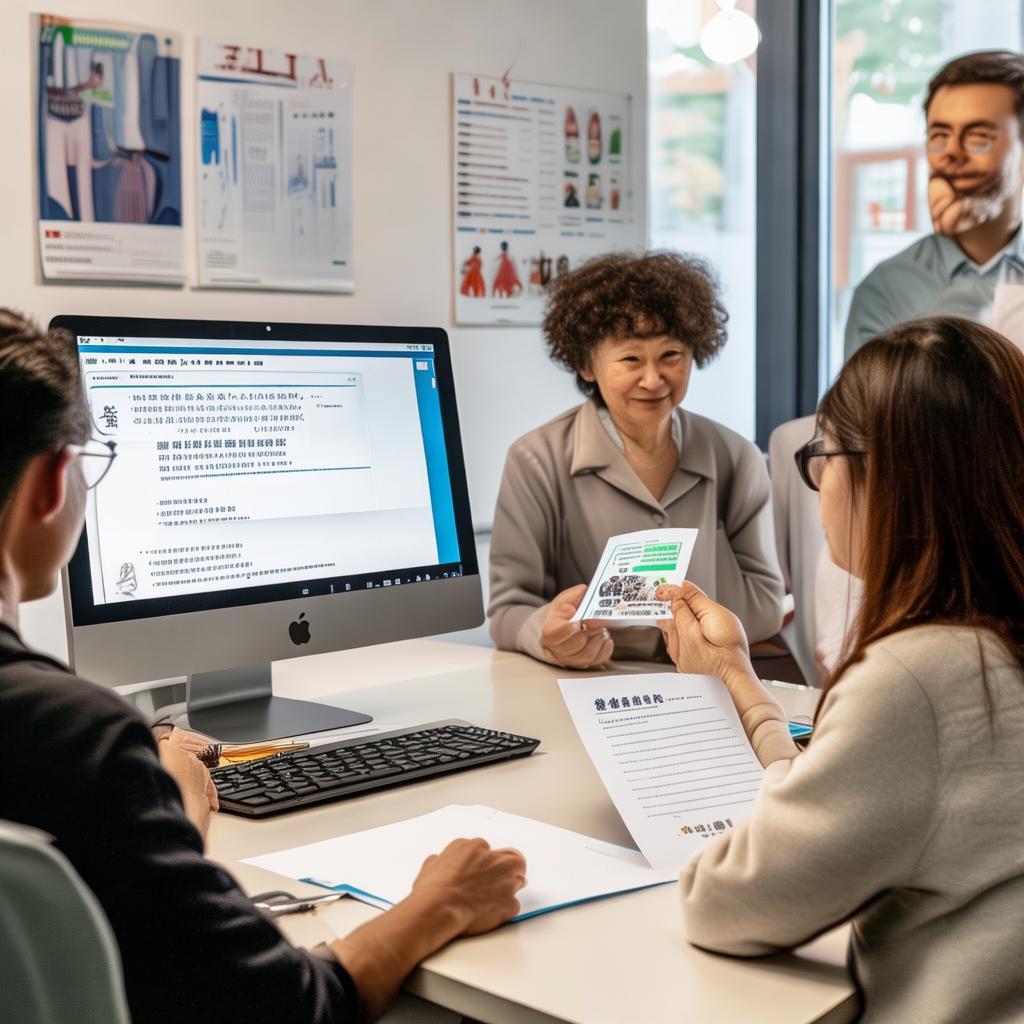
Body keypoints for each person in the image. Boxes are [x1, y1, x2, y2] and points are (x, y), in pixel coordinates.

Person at [0, 309, 527, 1024]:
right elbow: (290, 1007)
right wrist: (443, 902)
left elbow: (139, 917)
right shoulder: (76, 740)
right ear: (53, 481)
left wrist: (169, 807)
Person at [657, 315, 1024, 1023]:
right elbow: (855, 795)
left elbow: (724, 903)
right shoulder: (993, 640)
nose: (817, 481)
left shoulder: (922, 676)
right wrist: (736, 679)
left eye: (823, 454)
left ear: (887, 477)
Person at [488, 251, 785, 668]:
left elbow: (767, 605)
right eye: (631, 359)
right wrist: (551, 635)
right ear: (586, 365)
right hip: (588, 679)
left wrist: (686, 619)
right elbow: (508, 610)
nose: (653, 379)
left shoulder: (737, 457)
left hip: (711, 677)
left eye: (671, 356)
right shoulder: (536, 460)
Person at [844, 51, 1024, 360]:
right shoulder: (886, 288)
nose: (951, 153)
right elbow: (868, 392)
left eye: (978, 138)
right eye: (939, 137)